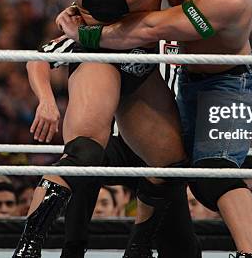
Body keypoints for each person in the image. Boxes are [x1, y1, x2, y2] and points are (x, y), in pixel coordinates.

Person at [14, 0, 219, 258]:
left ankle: (139, 249)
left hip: (140, 56)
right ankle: (31, 243)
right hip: (101, 52)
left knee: (170, 162)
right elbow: (101, 3)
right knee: (87, 151)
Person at [58, 0, 252, 257]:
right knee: (173, 166)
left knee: (211, 175)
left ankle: (251, 255)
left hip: (233, 82)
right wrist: (89, 5)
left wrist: (87, 34)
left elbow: (149, 28)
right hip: (189, 78)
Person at [26, 56, 198, 257]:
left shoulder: (185, 38)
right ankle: (59, 248)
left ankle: (137, 249)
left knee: (183, 247)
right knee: (83, 158)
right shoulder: (115, 31)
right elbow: (39, 58)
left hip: (161, 147)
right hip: (111, 139)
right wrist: (46, 100)